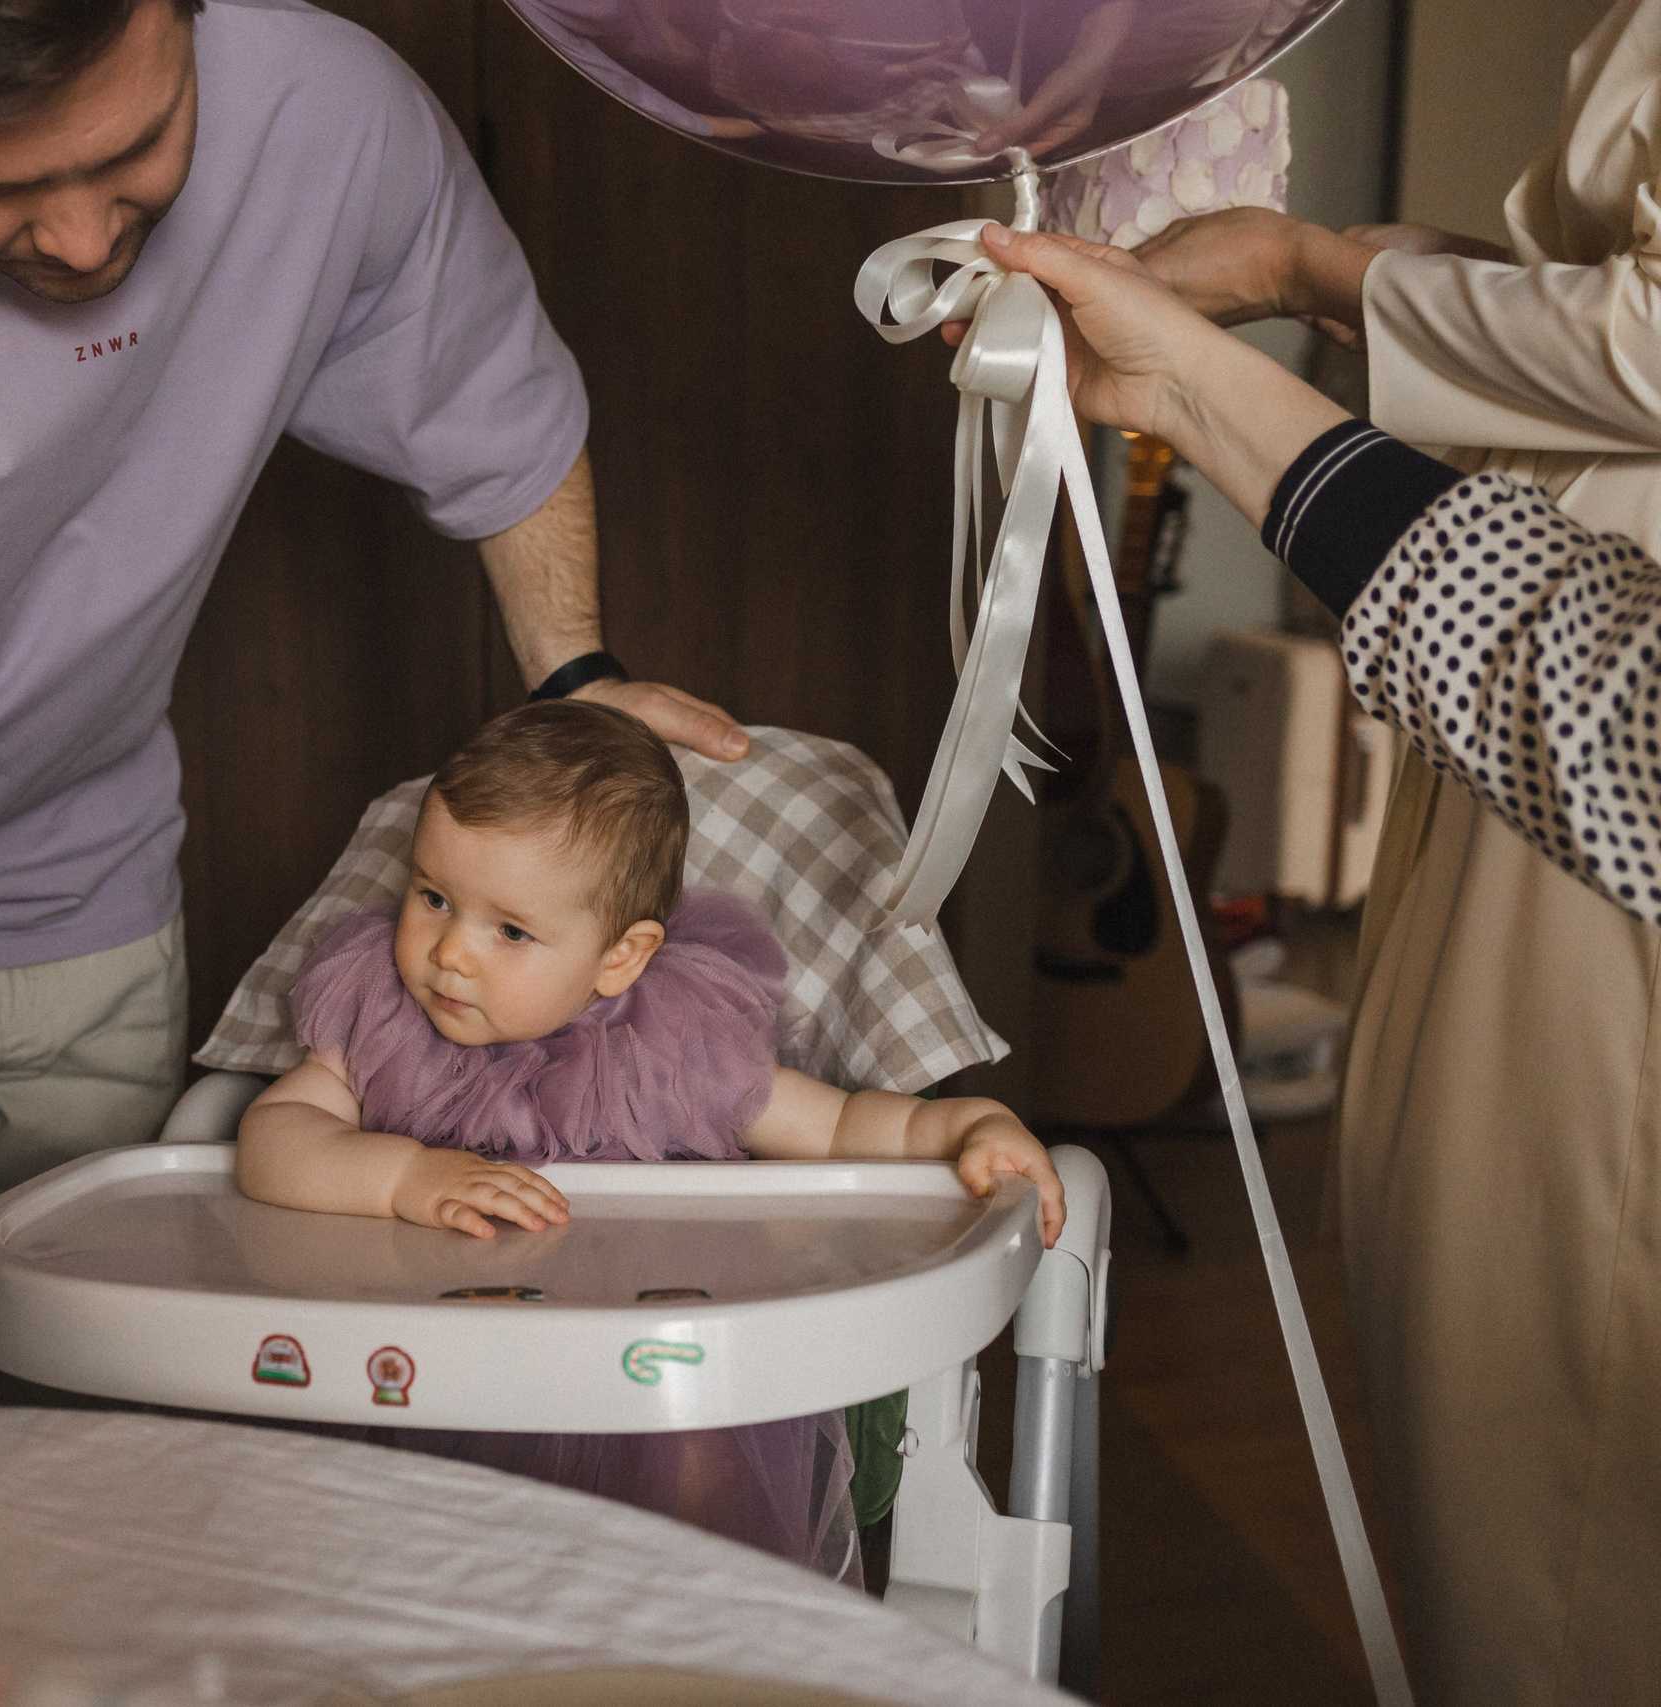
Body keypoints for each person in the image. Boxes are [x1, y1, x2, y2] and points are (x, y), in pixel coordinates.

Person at [0, 0, 749, 1476]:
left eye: (138, 151)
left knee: (98, 1463)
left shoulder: (328, 114)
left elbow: (496, 404)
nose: (90, 243)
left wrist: (579, 674)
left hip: (100, 906)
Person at [955, 58, 1661, 1682]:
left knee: (1558, 1421)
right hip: (1525, 614)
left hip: (1568, 664)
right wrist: (1281, 281)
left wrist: (1244, 348)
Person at [232, 700, 1063, 1576]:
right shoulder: (382, 1020)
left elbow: (841, 1125)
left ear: (620, 957)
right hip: (422, 1371)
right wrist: (404, 1177)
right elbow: (276, 1135)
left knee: (700, 1472)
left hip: (635, 1382)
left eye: (510, 929)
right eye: (432, 896)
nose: (451, 954)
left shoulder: (668, 1043)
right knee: (358, 1531)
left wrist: (966, 1124)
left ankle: (671, 1631)